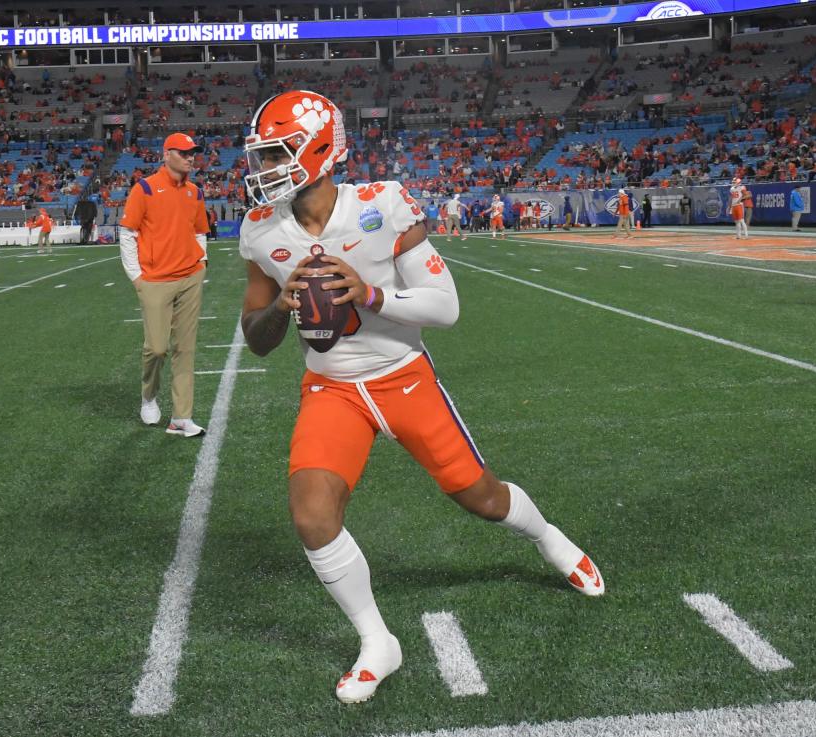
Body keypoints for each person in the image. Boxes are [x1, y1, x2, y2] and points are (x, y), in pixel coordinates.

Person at [238, 90, 605, 706]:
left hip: (404, 377)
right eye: (261, 157)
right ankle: (377, 641)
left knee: (482, 498)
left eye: (277, 155)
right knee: (312, 516)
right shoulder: (259, 233)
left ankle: (549, 539)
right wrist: (280, 304)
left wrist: (369, 295)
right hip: (332, 388)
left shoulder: (382, 206)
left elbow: (446, 307)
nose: (263, 170)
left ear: (321, 153)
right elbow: (256, 339)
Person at [119, 132, 210, 437]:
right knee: (157, 349)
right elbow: (128, 233)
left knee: (185, 348)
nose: (190, 157)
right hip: (154, 280)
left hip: (189, 277)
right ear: (166, 154)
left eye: (192, 153)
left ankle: (181, 417)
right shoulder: (144, 189)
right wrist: (137, 277)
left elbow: (200, 231)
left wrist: (202, 263)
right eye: (184, 152)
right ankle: (148, 395)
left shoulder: (195, 192)